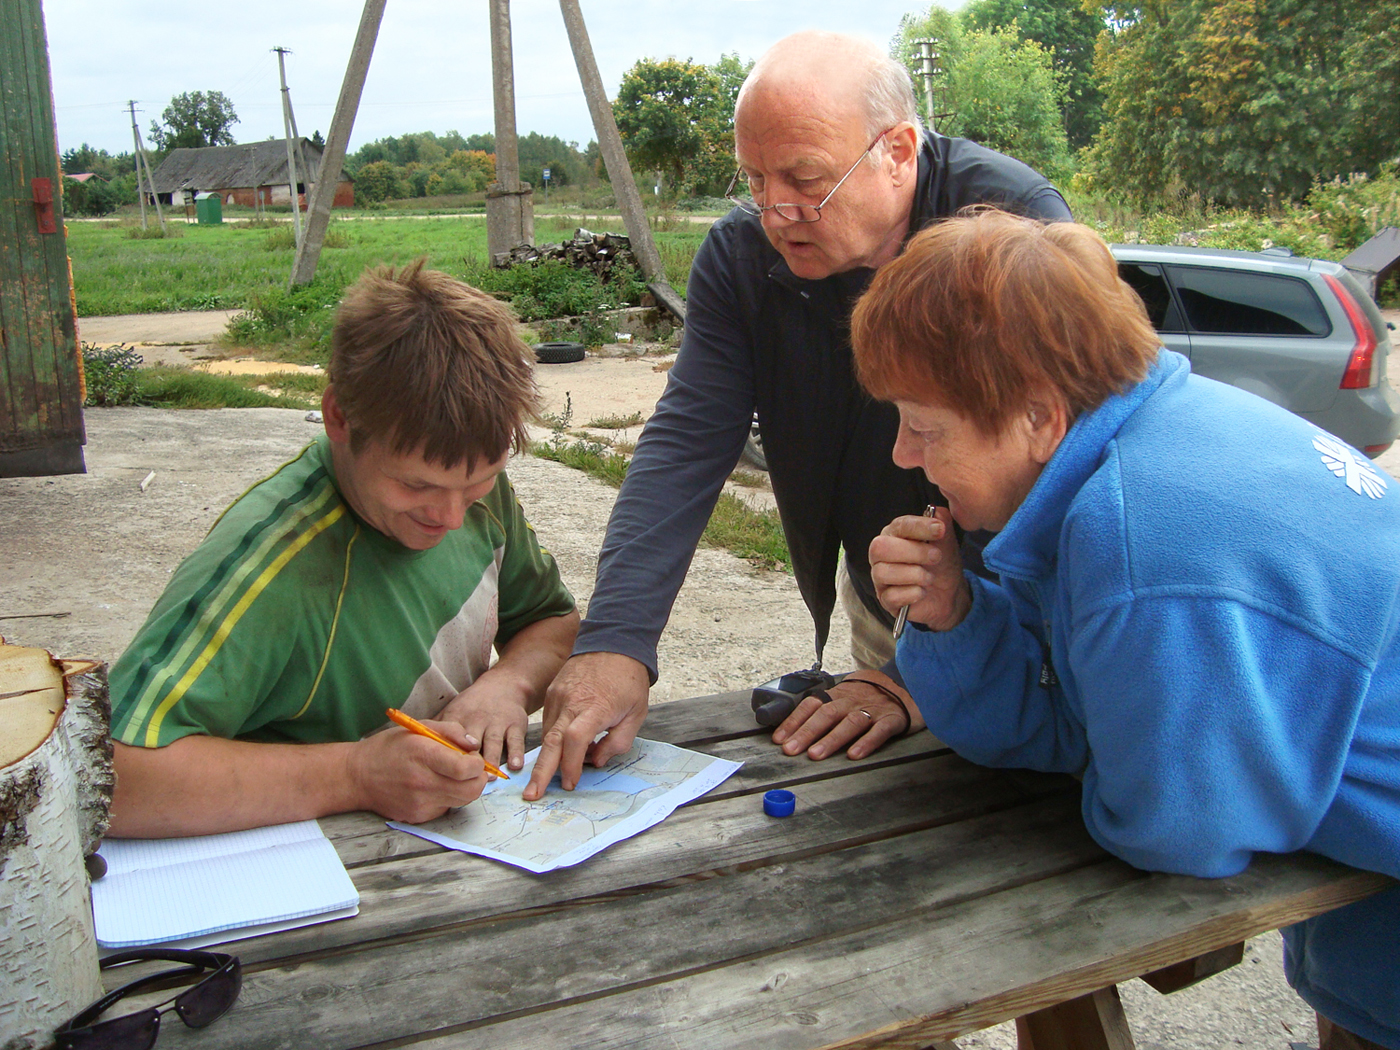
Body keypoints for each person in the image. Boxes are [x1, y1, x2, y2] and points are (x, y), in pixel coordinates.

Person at [856, 209, 1400, 1049]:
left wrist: (1107, 754)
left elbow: (1175, 829)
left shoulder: (1139, 535)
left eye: (924, 426)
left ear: (1039, 418)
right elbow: (1076, 721)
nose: (901, 453)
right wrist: (956, 618)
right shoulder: (1146, 439)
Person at [523, 31, 1071, 802]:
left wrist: (925, 672)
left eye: (806, 179)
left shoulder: (1018, 230)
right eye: (754, 179)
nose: (777, 212)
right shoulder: (740, 258)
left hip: (1030, 611)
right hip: (895, 585)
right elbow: (685, 443)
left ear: (899, 152)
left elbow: (1060, 467)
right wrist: (615, 641)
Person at [107, 262, 580, 837]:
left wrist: (506, 686)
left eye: (479, 480)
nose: (452, 516)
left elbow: (553, 623)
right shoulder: (273, 565)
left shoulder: (466, 485)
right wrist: (354, 775)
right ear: (338, 416)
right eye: (416, 485)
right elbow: (115, 776)